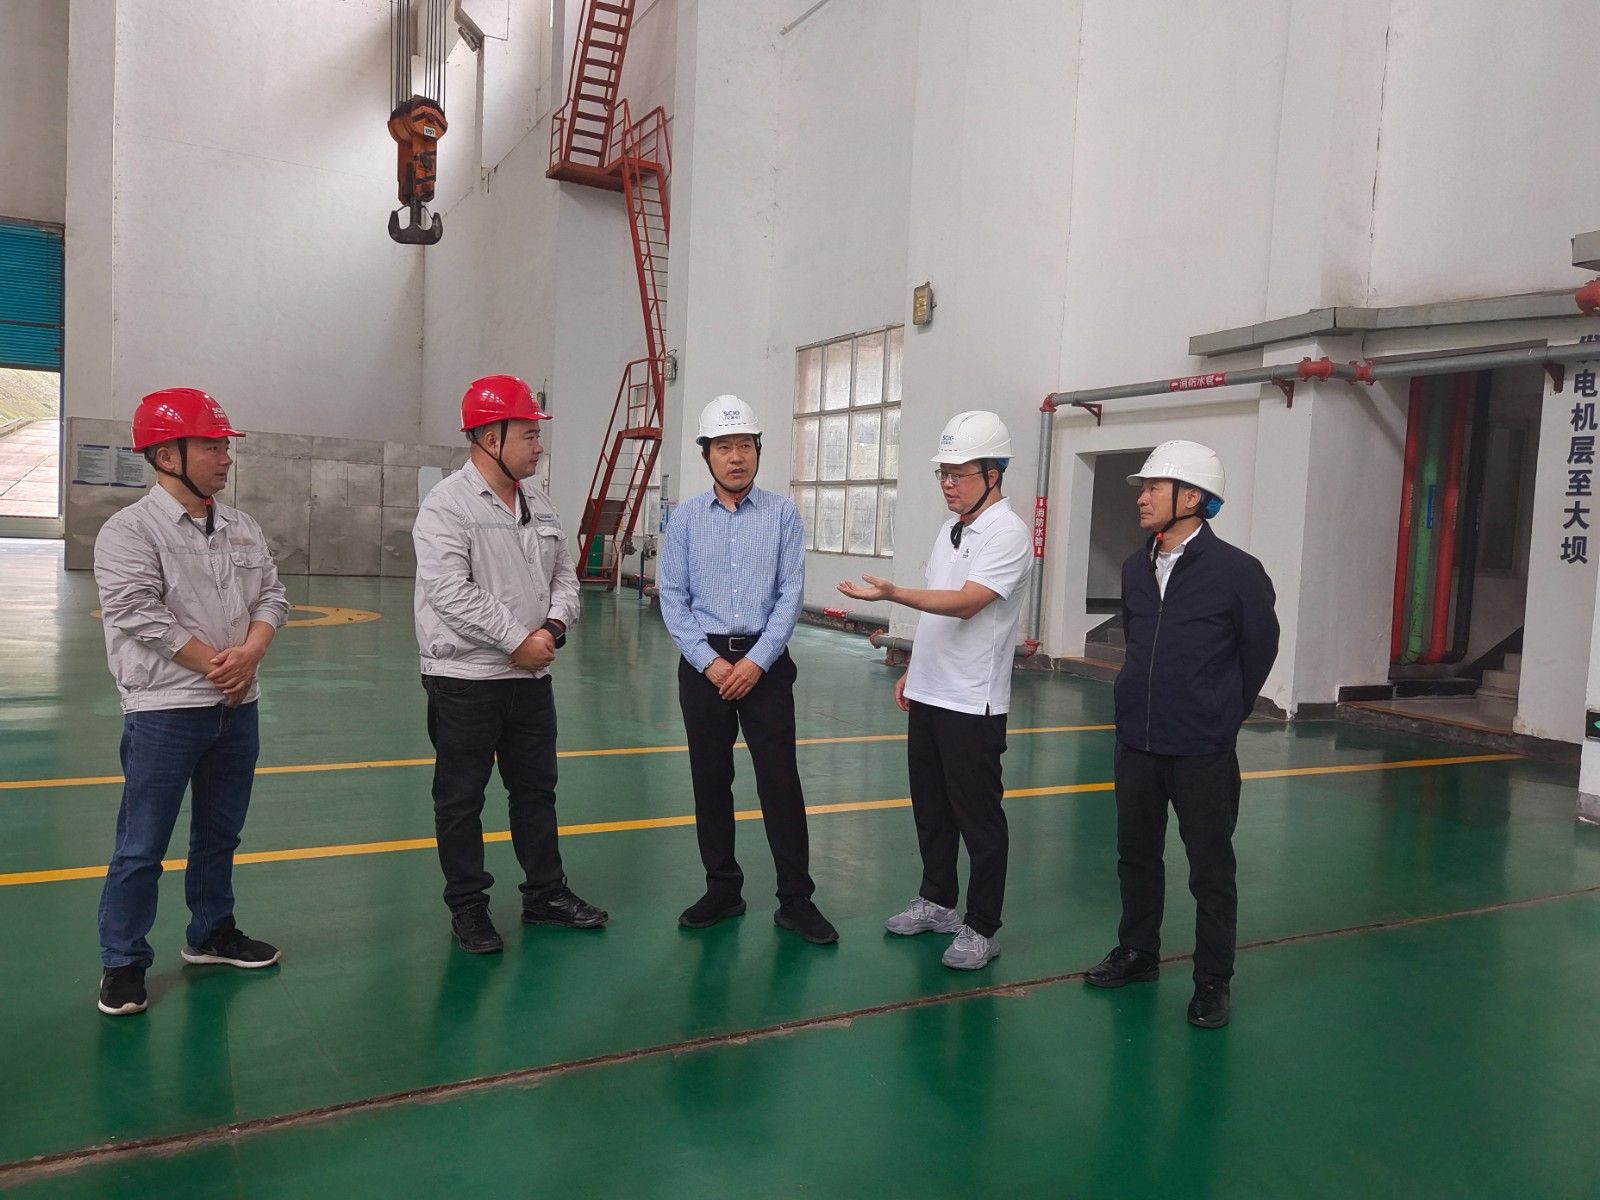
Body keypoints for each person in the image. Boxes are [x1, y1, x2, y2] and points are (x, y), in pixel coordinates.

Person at [92, 388, 289, 1016]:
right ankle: (123, 960)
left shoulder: (241, 526)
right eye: (211, 446)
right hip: (166, 708)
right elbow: (135, 611)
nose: (225, 457)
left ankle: (211, 932)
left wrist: (251, 653)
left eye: (225, 446)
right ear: (166, 454)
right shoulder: (129, 531)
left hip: (237, 704)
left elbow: (272, 596)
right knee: (142, 843)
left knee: (220, 832)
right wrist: (218, 665)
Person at [1083, 440, 1279, 1028]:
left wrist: (1222, 712)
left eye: (1153, 488)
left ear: (1191, 498)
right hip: (1137, 741)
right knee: (1135, 854)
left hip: (1202, 749)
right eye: (1143, 489)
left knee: (1210, 869)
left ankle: (1213, 979)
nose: (1141, 498)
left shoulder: (1238, 573)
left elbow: (1259, 650)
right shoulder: (1134, 567)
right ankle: (1138, 951)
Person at [412, 374, 605, 954]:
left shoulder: (538, 503)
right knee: (461, 800)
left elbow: (565, 576)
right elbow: (451, 592)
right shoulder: (446, 505)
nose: (539, 446)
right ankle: (468, 907)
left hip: (530, 677)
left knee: (536, 791)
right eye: (529, 435)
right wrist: (516, 640)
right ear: (490, 438)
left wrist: (552, 629)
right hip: (465, 680)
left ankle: (545, 893)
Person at [839, 410, 1033, 971]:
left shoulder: (1008, 533)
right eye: (943, 473)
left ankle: (983, 926)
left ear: (993, 474)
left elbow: (968, 603)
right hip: (931, 691)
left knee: (978, 818)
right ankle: (938, 901)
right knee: (931, 808)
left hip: (972, 701)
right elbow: (940, 609)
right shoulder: (953, 529)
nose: (948, 483)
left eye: (959, 473)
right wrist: (915, 669)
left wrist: (894, 594)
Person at [657, 394, 837, 945]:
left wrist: (756, 662)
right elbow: (673, 597)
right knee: (711, 781)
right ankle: (723, 889)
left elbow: (790, 595)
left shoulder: (782, 514)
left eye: (744, 446)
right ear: (706, 454)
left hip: (767, 664)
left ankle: (796, 899)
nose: (736, 457)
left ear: (758, 450)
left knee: (780, 782)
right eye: (723, 447)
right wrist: (710, 663)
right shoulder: (685, 520)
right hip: (704, 666)